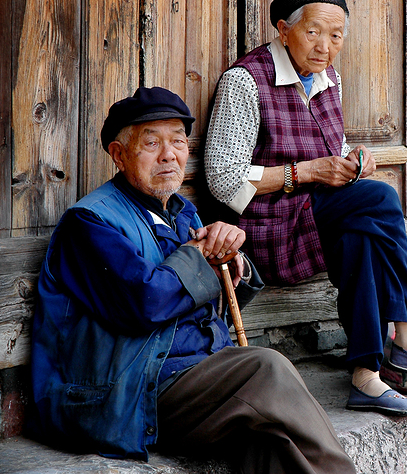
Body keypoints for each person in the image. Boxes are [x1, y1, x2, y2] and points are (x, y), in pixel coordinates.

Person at [30, 86, 355, 474]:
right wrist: (200, 255)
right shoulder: (90, 223)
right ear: (119, 154)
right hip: (129, 393)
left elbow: (203, 299)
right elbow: (145, 304)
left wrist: (234, 261)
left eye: (179, 142)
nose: (169, 155)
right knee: (266, 369)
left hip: (194, 374)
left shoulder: (182, 213)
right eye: (152, 143)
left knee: (272, 439)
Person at [204, 0, 407, 417]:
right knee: (381, 199)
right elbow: (223, 178)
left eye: (336, 36)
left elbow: (334, 147)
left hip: (320, 213)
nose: (325, 47)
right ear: (283, 30)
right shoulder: (245, 81)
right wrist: (307, 172)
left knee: (363, 235)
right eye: (314, 32)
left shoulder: (329, 78)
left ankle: (365, 376)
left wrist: (355, 159)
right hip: (267, 226)